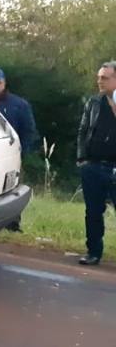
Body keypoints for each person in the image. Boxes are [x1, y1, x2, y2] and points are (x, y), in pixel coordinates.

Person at [75, 61, 116, 266]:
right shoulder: (93, 102)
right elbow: (82, 131)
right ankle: (93, 252)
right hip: (93, 166)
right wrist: (82, 159)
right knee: (93, 212)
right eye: (99, 77)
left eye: (105, 78)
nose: (100, 81)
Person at [0, 68, 38, 155]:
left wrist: (21, 154)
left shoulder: (19, 105)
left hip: (9, 155)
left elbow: (28, 132)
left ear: (4, 83)